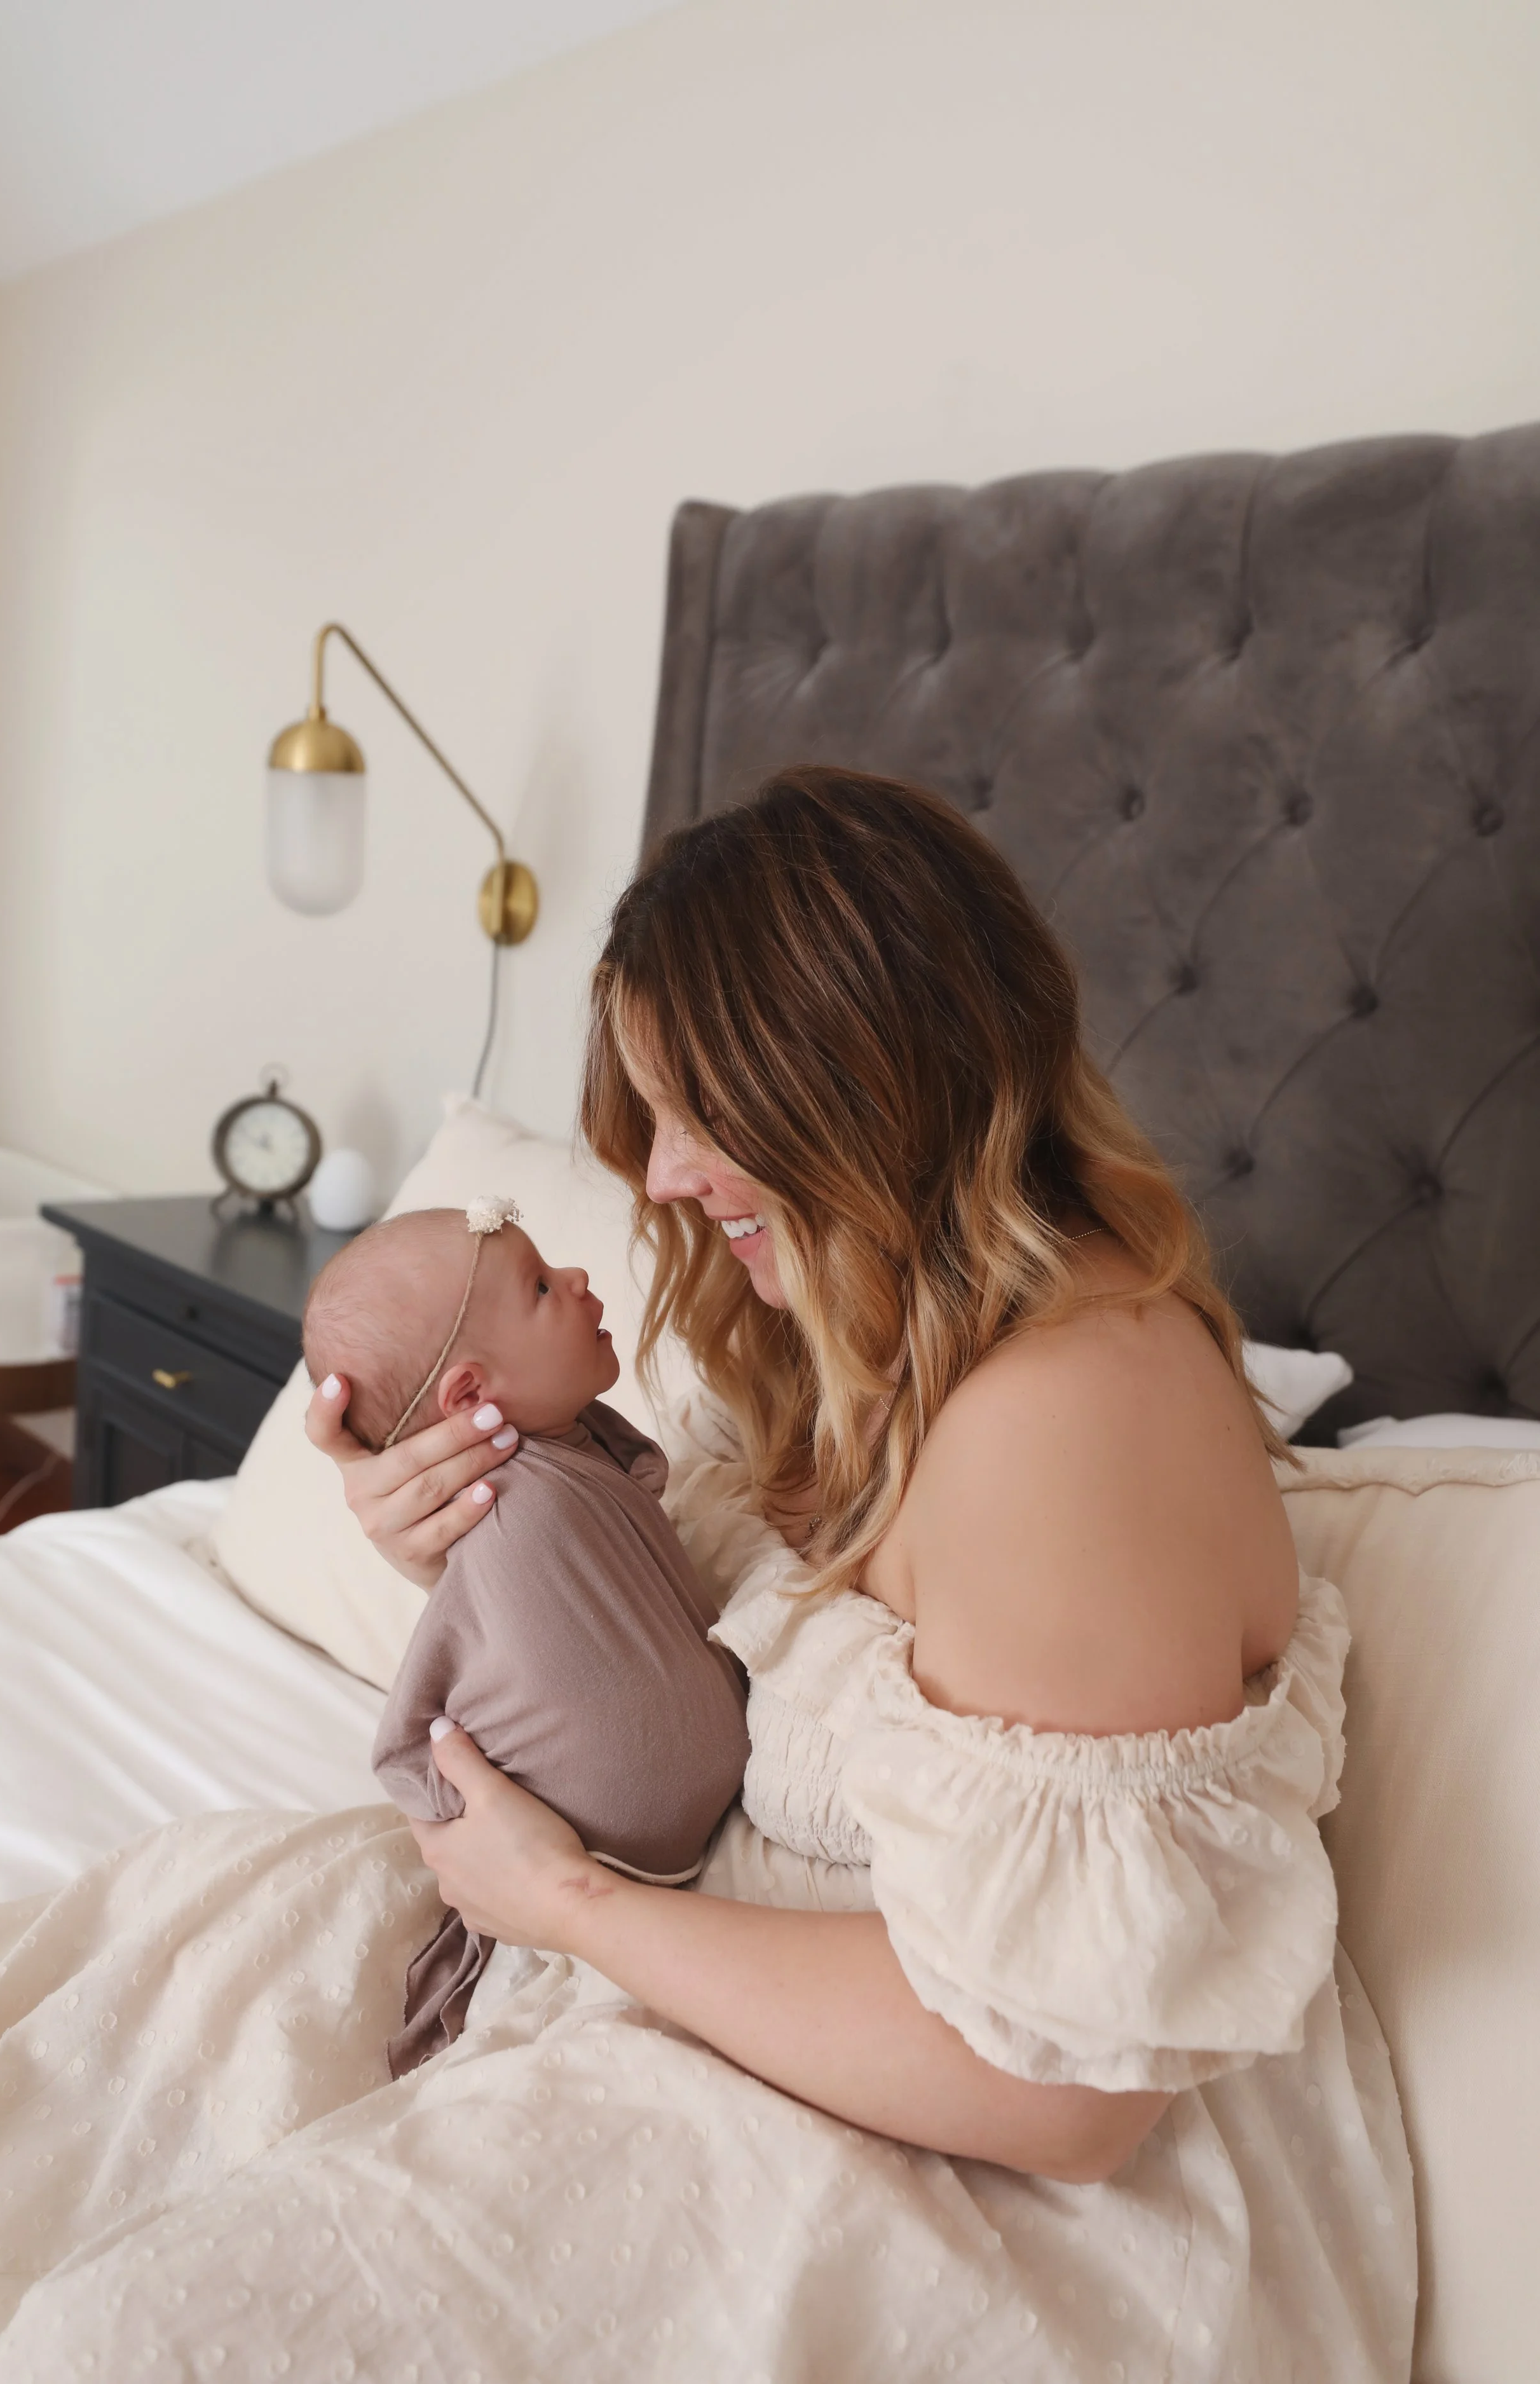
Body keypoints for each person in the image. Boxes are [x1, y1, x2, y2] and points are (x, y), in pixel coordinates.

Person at [303, 765, 1415, 2374]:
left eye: (695, 1113)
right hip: (775, 2051)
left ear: (850, 1075)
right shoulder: (869, 1329)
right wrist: (482, 1543)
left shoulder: (1066, 1411)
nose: (665, 1178)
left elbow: (1066, 2092)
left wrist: (571, 1904)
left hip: (1006, 2203)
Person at [301, 1200, 747, 2073]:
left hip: (672, 1883)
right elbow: (443, 1683)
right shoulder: (506, 1506)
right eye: (543, 1285)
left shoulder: (575, 1451)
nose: (579, 1280)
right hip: (580, 1865)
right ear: (470, 1394)